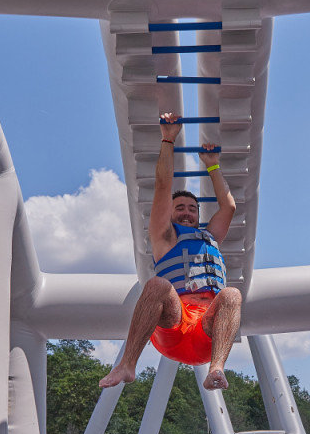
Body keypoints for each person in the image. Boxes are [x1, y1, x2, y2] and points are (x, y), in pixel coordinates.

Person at [99, 113, 241, 391]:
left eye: (192, 209)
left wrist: (212, 166)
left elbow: (229, 208)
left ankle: (216, 369)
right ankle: (128, 363)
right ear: (172, 214)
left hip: (207, 332)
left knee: (232, 294)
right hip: (174, 328)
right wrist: (168, 138)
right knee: (157, 285)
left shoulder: (209, 237)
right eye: (180, 208)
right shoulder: (164, 237)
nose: (187, 213)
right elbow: (164, 185)